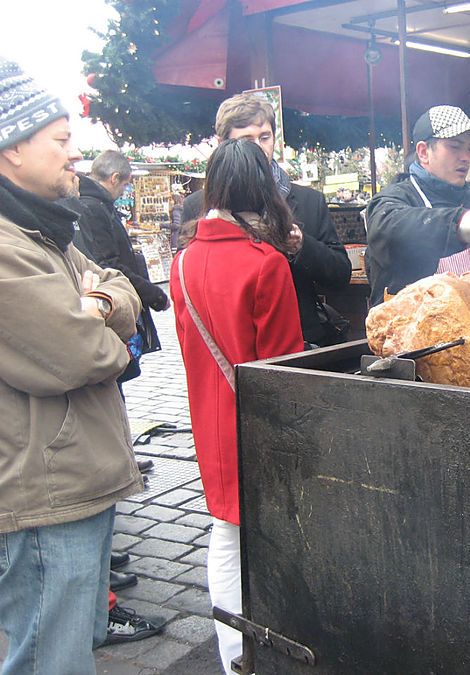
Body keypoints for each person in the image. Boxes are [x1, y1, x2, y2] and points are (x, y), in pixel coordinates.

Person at [0, 56, 145, 673]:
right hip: (45, 491)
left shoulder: (44, 230)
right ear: (11, 149)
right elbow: (84, 355)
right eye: (60, 141)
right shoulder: (10, 247)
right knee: (49, 659)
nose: (74, 157)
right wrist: (105, 328)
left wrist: (98, 303)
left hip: (74, 480)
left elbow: (123, 288)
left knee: (67, 649)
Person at [171, 139, 306, 673]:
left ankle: (233, 655)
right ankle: (252, 648)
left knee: (224, 530)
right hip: (258, 423)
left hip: (211, 415)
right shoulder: (265, 264)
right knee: (256, 534)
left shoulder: (181, 263)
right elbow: (284, 365)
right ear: (261, 191)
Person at [182, 93, 351, 347]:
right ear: (224, 144)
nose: (260, 147)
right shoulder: (198, 205)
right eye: (246, 140)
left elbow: (340, 275)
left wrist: (302, 246)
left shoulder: (308, 201)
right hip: (231, 342)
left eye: (264, 137)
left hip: (298, 343)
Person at [365, 104, 470, 305]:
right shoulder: (394, 200)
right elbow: (390, 226)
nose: (466, 157)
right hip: (414, 331)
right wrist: (465, 223)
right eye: (454, 146)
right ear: (424, 152)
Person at [66, 150, 170, 385]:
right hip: (105, 308)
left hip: (103, 302)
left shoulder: (95, 205)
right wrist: (153, 294)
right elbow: (109, 264)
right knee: (115, 379)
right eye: (124, 185)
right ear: (114, 178)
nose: (123, 191)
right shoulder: (94, 209)